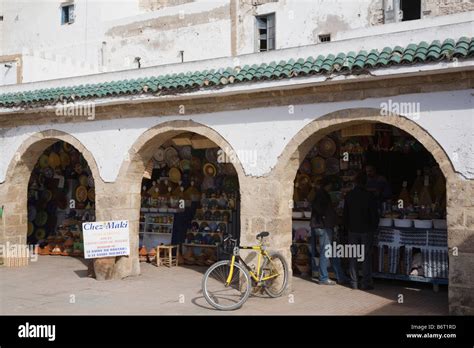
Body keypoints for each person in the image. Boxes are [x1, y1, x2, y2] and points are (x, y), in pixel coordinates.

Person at [310, 177, 350, 286]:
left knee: (334, 252)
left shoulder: (320, 194)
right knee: (326, 252)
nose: (331, 188)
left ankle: (340, 277)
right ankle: (323, 278)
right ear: (327, 185)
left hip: (324, 226)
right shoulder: (322, 194)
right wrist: (328, 217)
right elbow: (322, 210)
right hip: (324, 227)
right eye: (330, 186)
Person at [343, 172, 379, 290]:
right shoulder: (369, 196)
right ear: (365, 183)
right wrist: (374, 227)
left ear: (355, 183)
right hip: (366, 230)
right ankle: (365, 283)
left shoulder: (349, 195)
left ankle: (353, 282)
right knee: (366, 256)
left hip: (353, 230)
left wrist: (347, 227)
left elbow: (345, 215)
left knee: (353, 256)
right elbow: (374, 215)